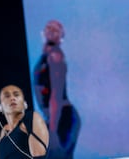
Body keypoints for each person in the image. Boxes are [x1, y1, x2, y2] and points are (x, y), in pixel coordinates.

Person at [33, 20, 81, 159]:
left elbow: (56, 95)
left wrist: (53, 131)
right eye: (48, 28)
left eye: (56, 30)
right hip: (56, 119)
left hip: (62, 118)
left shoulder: (55, 56)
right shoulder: (46, 56)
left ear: (61, 37)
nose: (51, 31)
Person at [0, 84, 49, 159]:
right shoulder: (4, 131)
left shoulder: (32, 117)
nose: (12, 98)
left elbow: (39, 155)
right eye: (7, 96)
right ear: (0, 107)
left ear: (25, 104)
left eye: (16, 95)